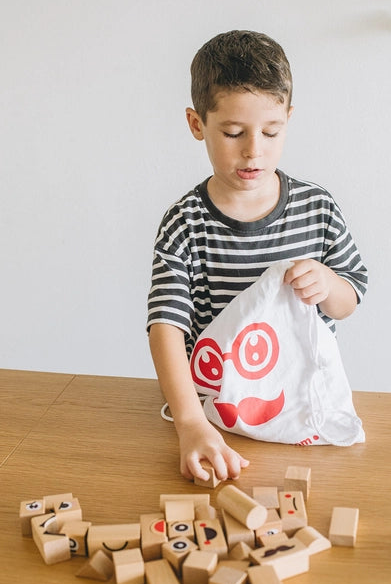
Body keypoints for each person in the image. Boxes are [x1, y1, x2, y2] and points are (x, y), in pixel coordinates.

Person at [146, 30, 368, 483]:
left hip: (303, 408)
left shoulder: (317, 208)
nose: (254, 150)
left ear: (289, 118)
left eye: (271, 131)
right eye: (232, 132)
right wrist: (190, 423)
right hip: (216, 414)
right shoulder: (185, 222)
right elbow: (166, 325)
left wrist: (328, 283)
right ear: (196, 124)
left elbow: (350, 298)